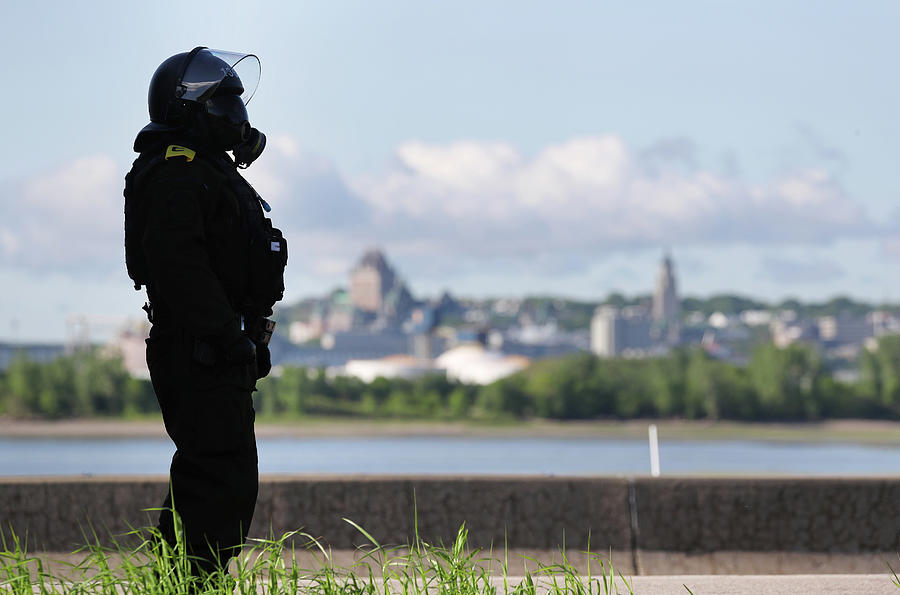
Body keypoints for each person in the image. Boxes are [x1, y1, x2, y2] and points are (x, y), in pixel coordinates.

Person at [123, 47, 287, 574]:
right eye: (226, 105)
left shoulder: (211, 172)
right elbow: (179, 267)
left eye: (240, 104)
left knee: (215, 476)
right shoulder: (176, 171)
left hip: (216, 350)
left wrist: (244, 338)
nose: (239, 117)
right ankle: (186, 585)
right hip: (199, 350)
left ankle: (175, 584)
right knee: (218, 478)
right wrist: (226, 336)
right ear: (191, 111)